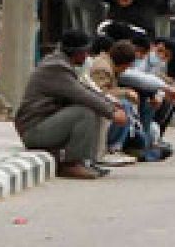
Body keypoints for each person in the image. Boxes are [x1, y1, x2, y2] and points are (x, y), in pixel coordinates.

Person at [15, 30, 127, 180]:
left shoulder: (61, 63)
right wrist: (112, 113)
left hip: (44, 124)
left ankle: (86, 161)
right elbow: (83, 95)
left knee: (92, 109)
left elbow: (85, 90)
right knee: (84, 112)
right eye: (85, 52)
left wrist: (111, 105)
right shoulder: (56, 67)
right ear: (77, 52)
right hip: (34, 131)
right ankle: (72, 164)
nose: (87, 56)